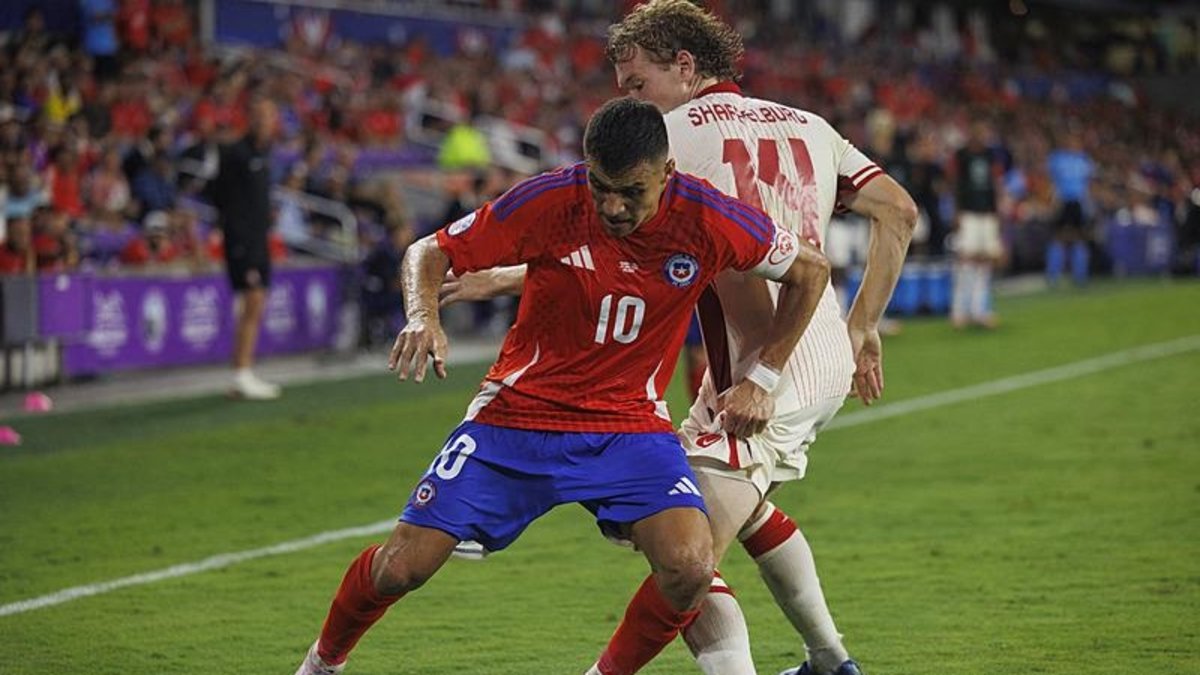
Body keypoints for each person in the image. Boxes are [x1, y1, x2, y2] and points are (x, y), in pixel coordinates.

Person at [442, 3, 916, 674]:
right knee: (733, 515)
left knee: (684, 557)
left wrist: (503, 276)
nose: (628, 101)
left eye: (636, 85)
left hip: (770, 363)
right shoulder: (810, 125)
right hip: (809, 349)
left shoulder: (667, 140)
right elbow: (899, 210)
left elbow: (600, 239)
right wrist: (863, 324)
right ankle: (829, 659)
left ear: (685, 67)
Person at [293, 96, 833, 675]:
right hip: (517, 417)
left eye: (632, 191)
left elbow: (810, 271)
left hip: (628, 425)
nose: (613, 205)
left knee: (690, 566)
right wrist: (424, 317)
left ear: (667, 174)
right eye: (602, 186)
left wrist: (764, 376)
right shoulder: (552, 197)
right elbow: (430, 251)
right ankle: (322, 663)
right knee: (402, 567)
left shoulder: (708, 218)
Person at [208, 97, 281, 400]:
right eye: (260, 115)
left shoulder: (265, 153)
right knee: (251, 303)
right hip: (243, 242)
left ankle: (244, 370)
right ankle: (240, 372)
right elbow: (222, 197)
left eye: (269, 116)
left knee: (257, 304)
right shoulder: (236, 153)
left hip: (260, 239)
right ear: (250, 119)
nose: (265, 122)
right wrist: (237, 241)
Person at [949, 120, 1004, 329]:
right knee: (965, 259)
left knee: (984, 261)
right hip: (968, 212)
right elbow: (956, 183)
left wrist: (997, 212)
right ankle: (959, 311)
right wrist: (956, 211)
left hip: (987, 212)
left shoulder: (991, 155)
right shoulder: (962, 155)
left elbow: (995, 184)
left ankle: (979, 310)